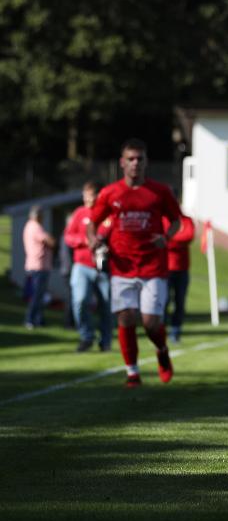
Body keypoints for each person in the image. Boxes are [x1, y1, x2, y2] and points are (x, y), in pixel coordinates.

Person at [87, 138, 183, 387]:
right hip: (122, 267)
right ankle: (132, 372)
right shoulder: (110, 193)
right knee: (126, 318)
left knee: (151, 323)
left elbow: (177, 221)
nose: (135, 163)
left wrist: (166, 238)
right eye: (131, 159)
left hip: (153, 267)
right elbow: (93, 222)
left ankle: (162, 350)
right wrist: (93, 241)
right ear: (122, 162)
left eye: (140, 159)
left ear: (146, 162)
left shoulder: (159, 191)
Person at [64, 181, 113, 351]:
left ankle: (105, 341)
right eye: (84, 195)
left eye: (90, 195)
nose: (86, 199)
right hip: (82, 266)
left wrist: (108, 247)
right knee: (79, 301)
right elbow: (68, 237)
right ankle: (86, 337)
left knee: (106, 306)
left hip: (104, 268)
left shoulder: (109, 215)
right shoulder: (80, 213)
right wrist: (84, 241)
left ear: (98, 196)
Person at [163, 211, 195, 344]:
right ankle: (161, 333)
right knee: (163, 302)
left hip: (182, 269)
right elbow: (159, 239)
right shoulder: (163, 219)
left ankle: (175, 333)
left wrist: (168, 239)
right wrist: (171, 239)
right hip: (165, 269)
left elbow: (188, 236)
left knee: (180, 303)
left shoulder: (187, 221)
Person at [22, 205, 56, 329]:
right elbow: (49, 241)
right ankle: (30, 320)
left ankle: (39, 320)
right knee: (37, 295)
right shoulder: (35, 227)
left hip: (35, 265)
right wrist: (52, 240)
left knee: (39, 295)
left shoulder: (29, 226)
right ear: (38, 215)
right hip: (38, 266)